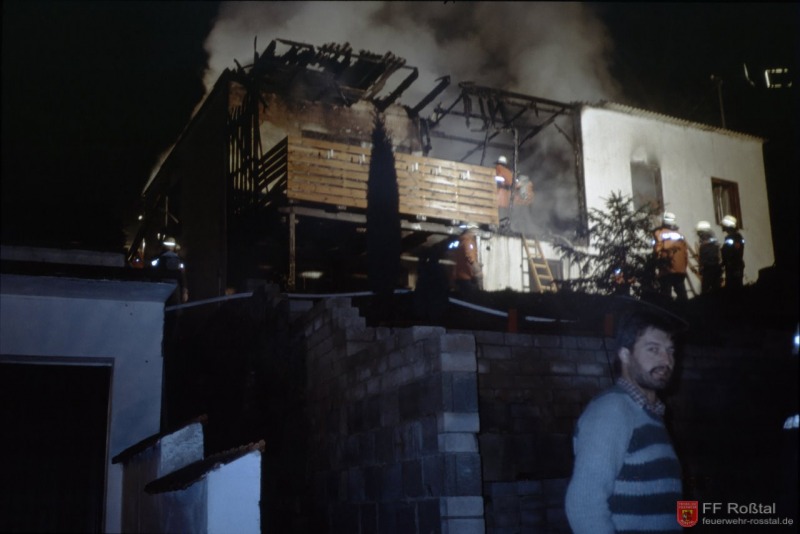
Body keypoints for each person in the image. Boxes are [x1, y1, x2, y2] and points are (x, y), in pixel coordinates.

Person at [565, 310, 683, 533]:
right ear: (625, 355)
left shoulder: (649, 414)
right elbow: (583, 504)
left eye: (670, 351)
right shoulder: (612, 411)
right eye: (653, 349)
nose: (666, 360)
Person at [652, 212, 689, 301]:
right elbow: (685, 254)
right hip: (680, 270)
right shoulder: (680, 235)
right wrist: (684, 268)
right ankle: (685, 308)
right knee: (682, 294)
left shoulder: (660, 233)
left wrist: (655, 263)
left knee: (665, 295)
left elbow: (657, 250)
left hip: (667, 270)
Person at [151, 236, 189, 303]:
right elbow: (182, 275)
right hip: (172, 287)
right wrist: (184, 291)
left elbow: (153, 273)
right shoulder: (179, 259)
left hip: (162, 286)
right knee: (174, 305)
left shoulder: (158, 258)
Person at [452, 228, 483, 297]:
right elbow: (470, 256)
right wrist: (478, 272)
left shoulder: (461, 241)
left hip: (461, 276)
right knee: (472, 297)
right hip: (467, 277)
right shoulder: (468, 241)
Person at [694, 220, 722, 294]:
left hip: (709, 269)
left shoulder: (706, 242)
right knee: (716, 290)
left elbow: (705, 256)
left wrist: (701, 268)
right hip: (715, 268)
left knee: (705, 291)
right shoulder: (712, 240)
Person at [720, 215, 745, 290]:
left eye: (724, 225)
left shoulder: (734, 237)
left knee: (734, 288)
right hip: (734, 266)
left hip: (734, 267)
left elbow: (729, 252)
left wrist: (725, 262)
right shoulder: (736, 237)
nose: (723, 227)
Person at [494, 155, 514, 228]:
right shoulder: (509, 172)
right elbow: (512, 183)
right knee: (503, 214)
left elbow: (497, 179)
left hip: (498, 195)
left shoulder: (498, 169)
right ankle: (501, 226)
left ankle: (497, 226)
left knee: (497, 214)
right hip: (505, 198)